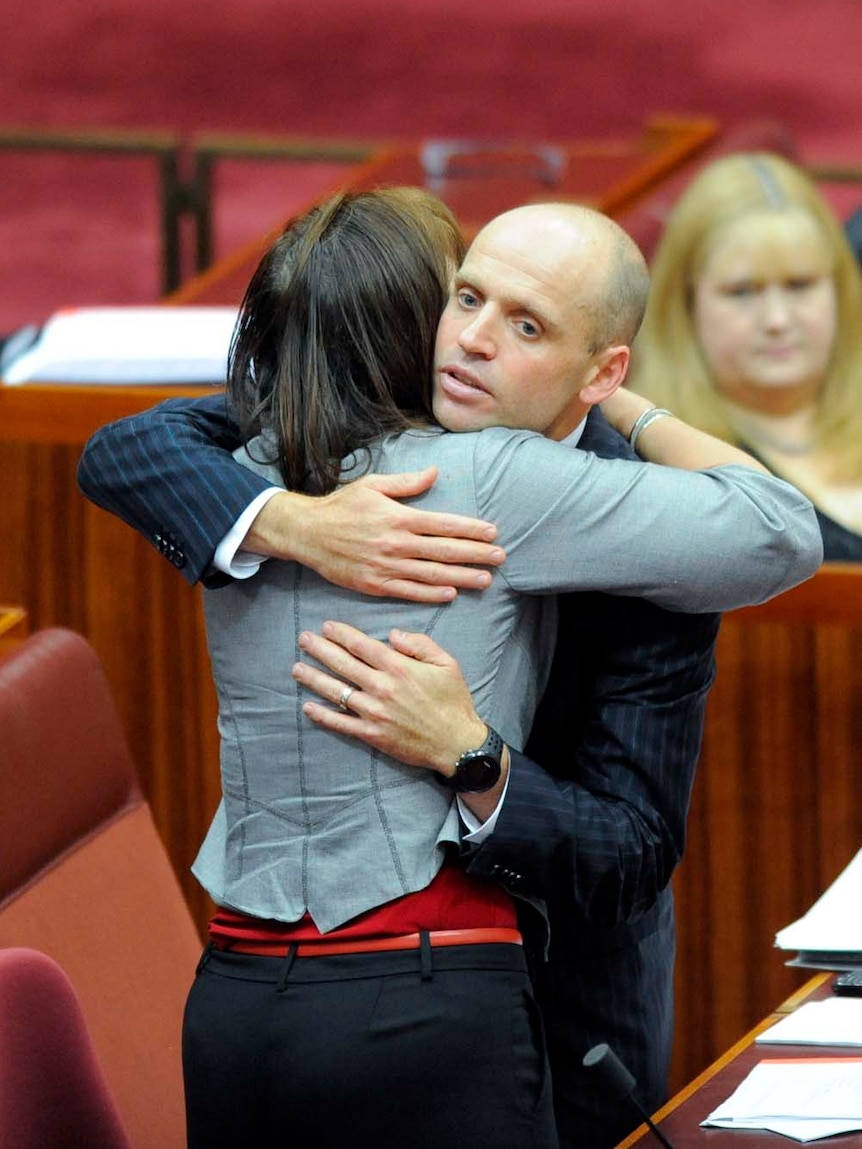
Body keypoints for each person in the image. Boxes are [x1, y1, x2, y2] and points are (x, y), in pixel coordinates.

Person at [77, 195, 822, 1149]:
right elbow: (126, 445)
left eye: (526, 325)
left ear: (600, 369)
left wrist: (476, 760)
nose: (471, 341)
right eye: (464, 297)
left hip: (549, 1006)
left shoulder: (650, 530)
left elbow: (629, 854)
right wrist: (291, 522)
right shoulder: (301, 467)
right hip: (416, 1002)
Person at [629, 150, 862, 560]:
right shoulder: (655, 468)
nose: (776, 319)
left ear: (839, 291)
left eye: (800, 285)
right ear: (686, 304)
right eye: (742, 292)